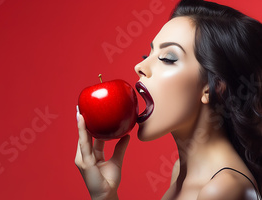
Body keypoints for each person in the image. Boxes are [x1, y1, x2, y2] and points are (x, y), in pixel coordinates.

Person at [75, 0, 262, 199]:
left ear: (212, 88)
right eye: (148, 54)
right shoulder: (181, 173)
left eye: (167, 58)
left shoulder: (222, 190)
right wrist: (105, 195)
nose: (139, 66)